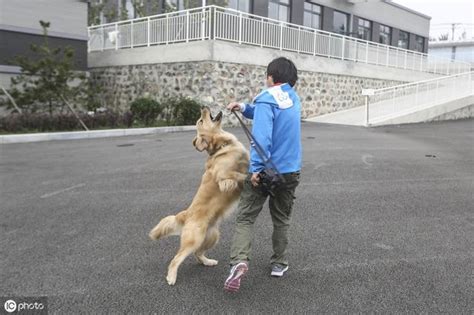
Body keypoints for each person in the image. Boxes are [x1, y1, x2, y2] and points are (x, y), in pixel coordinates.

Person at [224, 57, 302, 292]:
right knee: (281, 219)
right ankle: (279, 264)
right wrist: (245, 108)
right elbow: (267, 113)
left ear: (271, 77)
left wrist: (256, 169)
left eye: (266, 76)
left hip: (265, 172)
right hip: (290, 172)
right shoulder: (293, 98)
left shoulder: (267, 98)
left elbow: (262, 138)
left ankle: (239, 262)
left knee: (246, 218)